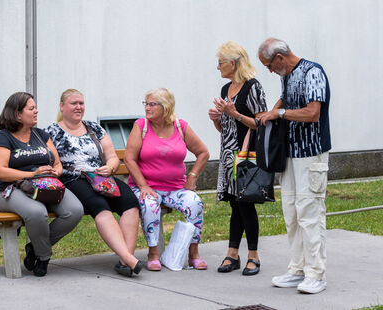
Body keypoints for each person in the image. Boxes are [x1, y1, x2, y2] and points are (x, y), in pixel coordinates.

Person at [257, 38, 331, 294]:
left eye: (268, 65)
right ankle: (297, 268)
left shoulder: (313, 72)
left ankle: (316, 274)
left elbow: (313, 113)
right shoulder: (287, 75)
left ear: (280, 57)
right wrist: (272, 110)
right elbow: (286, 99)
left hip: (311, 154)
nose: (268, 70)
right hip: (289, 154)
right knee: (292, 213)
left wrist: (278, 114)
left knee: (309, 213)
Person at [45, 89, 144, 277]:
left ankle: (125, 261)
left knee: (130, 203)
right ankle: (129, 259)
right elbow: (31, 148)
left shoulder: (94, 128)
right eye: (74, 103)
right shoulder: (51, 132)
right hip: (73, 179)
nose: (78, 107)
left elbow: (113, 157)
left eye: (81, 103)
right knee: (100, 206)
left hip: (101, 177)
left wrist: (110, 167)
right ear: (62, 106)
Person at [0, 92, 84, 277]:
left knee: (75, 210)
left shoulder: (40, 135)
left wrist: (58, 171)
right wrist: (31, 174)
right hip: (10, 189)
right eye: (31, 108)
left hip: (45, 185)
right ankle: (44, 256)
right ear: (17, 114)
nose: (36, 111)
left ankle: (34, 247)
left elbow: (56, 162)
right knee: (37, 212)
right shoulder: (3, 138)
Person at [124, 87, 209, 271]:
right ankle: (153, 253)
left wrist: (192, 177)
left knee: (195, 203)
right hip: (146, 187)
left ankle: (193, 253)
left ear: (166, 106)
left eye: (152, 104)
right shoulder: (141, 126)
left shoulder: (181, 127)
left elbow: (203, 152)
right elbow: (129, 158)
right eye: (145, 104)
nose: (147, 108)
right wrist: (143, 185)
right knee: (150, 204)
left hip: (176, 189)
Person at [208, 41, 267, 276]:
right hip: (228, 154)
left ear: (233, 63)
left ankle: (254, 256)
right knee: (235, 204)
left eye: (220, 63)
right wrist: (216, 118)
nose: (217, 67)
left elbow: (261, 123)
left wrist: (235, 114)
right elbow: (226, 130)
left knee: (246, 204)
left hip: (247, 156)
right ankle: (232, 254)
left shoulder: (253, 87)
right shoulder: (226, 89)